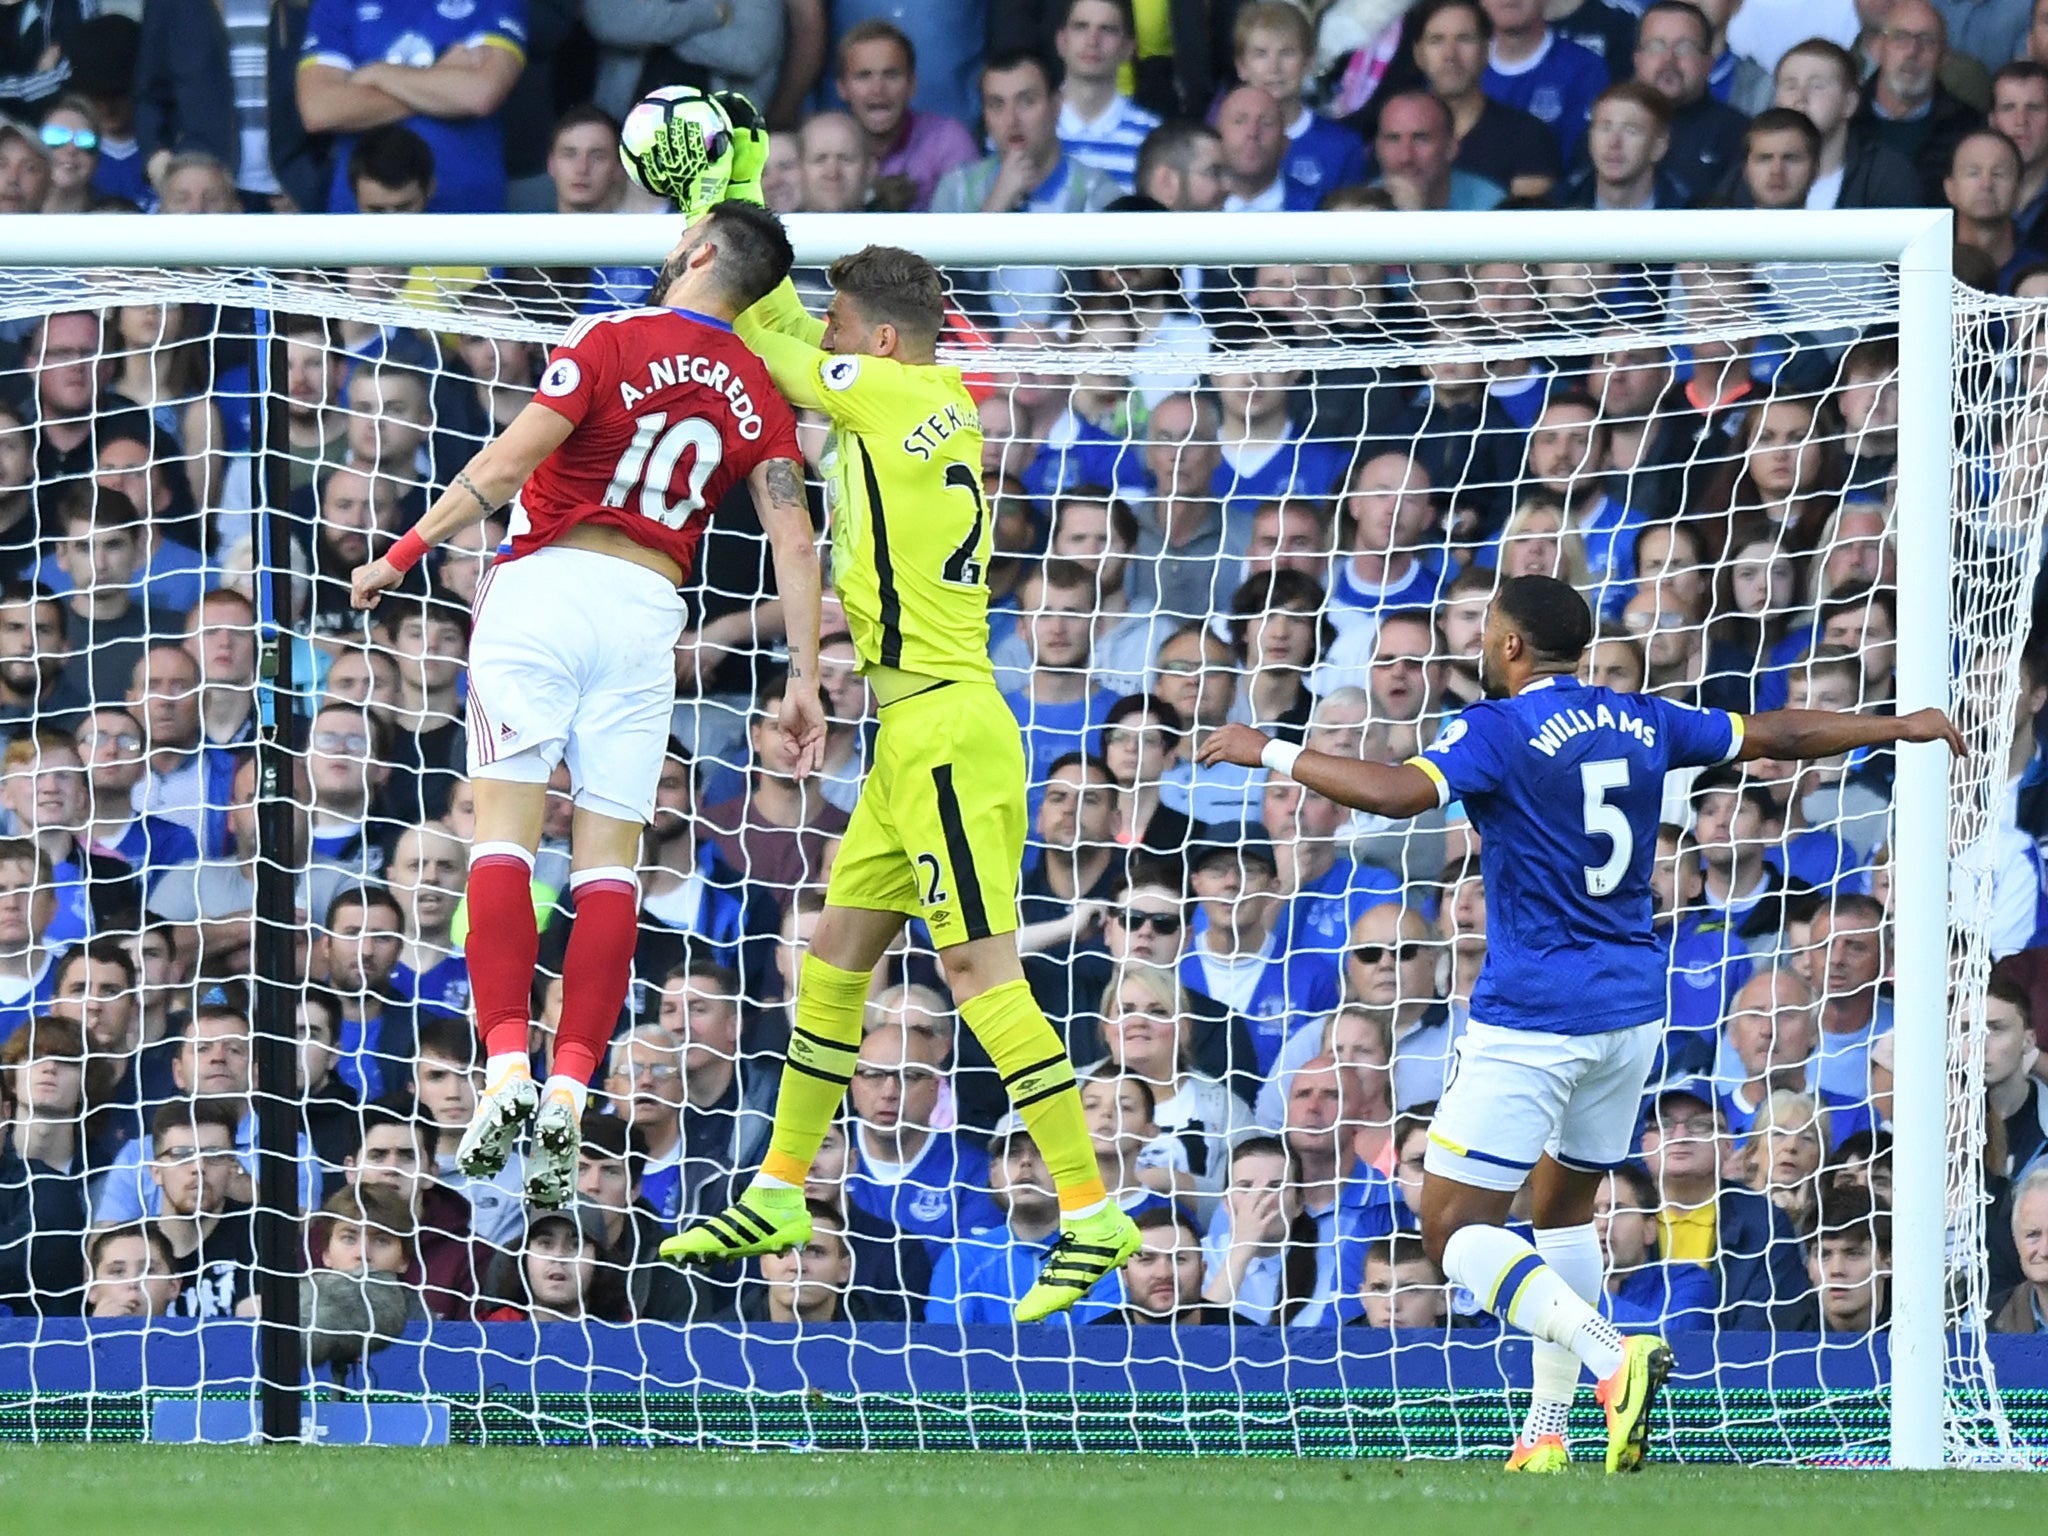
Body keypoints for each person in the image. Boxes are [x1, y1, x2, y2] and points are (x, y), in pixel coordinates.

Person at [1196, 573, 1963, 1473]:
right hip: (1630, 1011)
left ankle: (1612, 1358)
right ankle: (1547, 1433)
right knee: (1563, 1214)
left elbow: (1402, 794)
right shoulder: (1643, 717)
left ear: (1512, 645)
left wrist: (1268, 752)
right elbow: (1781, 733)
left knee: (1450, 1236)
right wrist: (1898, 727)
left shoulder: (1499, 729)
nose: (1480, 647)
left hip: (1532, 1016)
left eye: (1487, 632)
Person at [665, 118, 1145, 1323]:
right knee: (831, 958)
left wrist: (731, 192)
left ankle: (1090, 1211)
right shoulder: (936, 398)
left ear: (875, 340)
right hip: (905, 727)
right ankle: (781, 1185)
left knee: (973, 968)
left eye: (837, 326)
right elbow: (787, 325)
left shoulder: (883, 392)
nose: (821, 336)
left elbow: (755, 325)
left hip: (943, 730)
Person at [349, 199, 822, 1211]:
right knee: (612, 866)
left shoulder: (608, 336)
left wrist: (402, 552)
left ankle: (509, 1067)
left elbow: (507, 462)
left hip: (547, 589)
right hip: (650, 608)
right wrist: (805, 677)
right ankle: (573, 1085)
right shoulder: (757, 393)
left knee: (503, 845)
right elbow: (793, 542)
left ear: (696, 252)